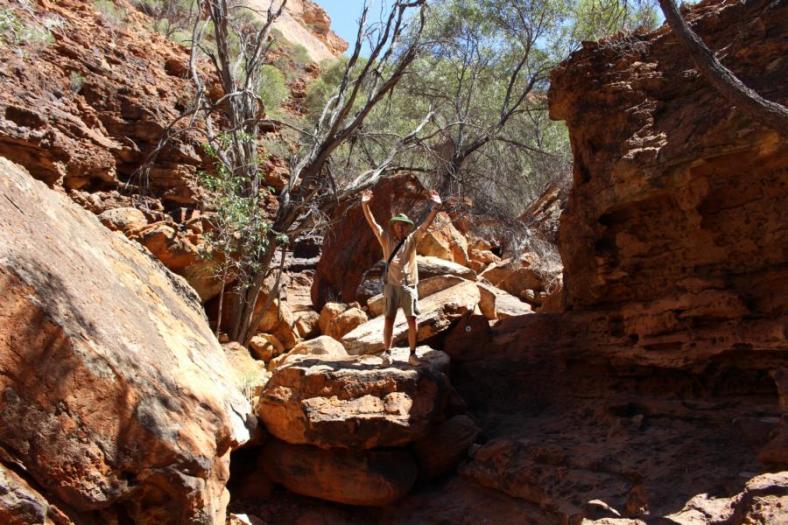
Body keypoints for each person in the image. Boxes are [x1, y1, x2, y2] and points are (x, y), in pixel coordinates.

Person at [361, 188, 442, 366]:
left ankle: (412, 354)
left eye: (404, 225)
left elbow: (425, 226)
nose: (401, 227)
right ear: (394, 226)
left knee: (412, 320)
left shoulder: (412, 240)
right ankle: (387, 353)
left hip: (409, 285)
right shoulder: (386, 239)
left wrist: (436, 207)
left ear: (406, 228)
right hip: (391, 285)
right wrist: (365, 205)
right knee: (389, 319)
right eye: (398, 224)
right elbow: (373, 224)